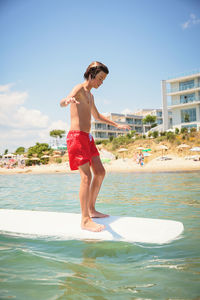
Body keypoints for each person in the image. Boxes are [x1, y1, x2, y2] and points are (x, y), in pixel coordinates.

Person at [60, 61, 130, 232]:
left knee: (100, 172)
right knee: (86, 177)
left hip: (88, 138)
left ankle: (91, 209)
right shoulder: (79, 89)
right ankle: (84, 220)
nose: (101, 82)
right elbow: (62, 102)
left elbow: (97, 116)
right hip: (76, 137)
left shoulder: (91, 96)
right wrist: (67, 100)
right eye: (100, 78)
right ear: (91, 75)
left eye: (103, 80)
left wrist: (116, 124)